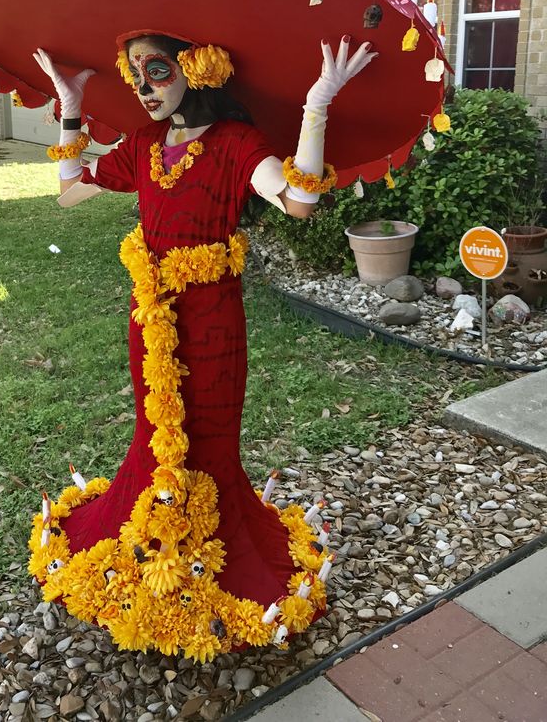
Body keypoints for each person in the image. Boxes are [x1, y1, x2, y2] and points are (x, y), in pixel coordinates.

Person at [27, 32, 376, 662]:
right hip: (151, 314)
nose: (143, 85)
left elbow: (298, 201)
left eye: (156, 69)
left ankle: (214, 561)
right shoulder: (142, 147)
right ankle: (147, 539)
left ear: (196, 67)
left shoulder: (237, 144)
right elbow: (70, 187)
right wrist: (69, 102)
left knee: (209, 437)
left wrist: (318, 103)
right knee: (153, 431)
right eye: (134, 73)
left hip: (213, 321)